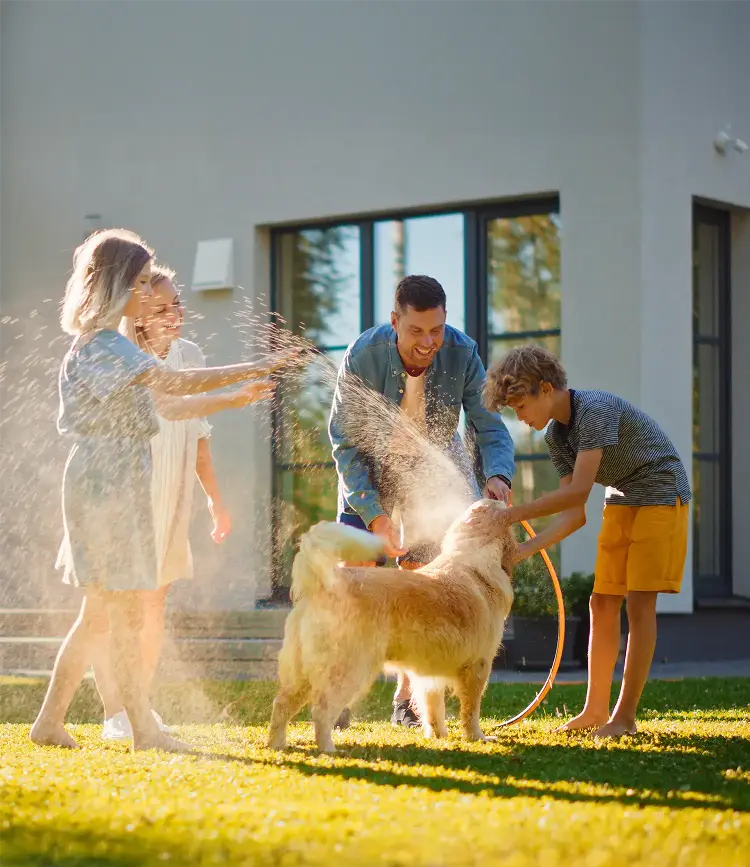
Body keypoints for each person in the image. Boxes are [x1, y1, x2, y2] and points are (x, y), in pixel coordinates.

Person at [30, 228, 292, 752]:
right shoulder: (105, 344)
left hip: (112, 481)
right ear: (119, 284)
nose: (151, 291)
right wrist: (255, 365)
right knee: (125, 613)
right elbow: (173, 383)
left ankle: (49, 724)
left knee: (98, 615)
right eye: (145, 281)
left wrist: (235, 397)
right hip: (108, 487)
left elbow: (166, 407)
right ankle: (143, 731)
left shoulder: (107, 345)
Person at [329, 274, 515, 727]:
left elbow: (489, 425)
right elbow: (345, 444)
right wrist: (374, 516)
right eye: (416, 331)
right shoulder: (363, 355)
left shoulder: (463, 352)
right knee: (353, 579)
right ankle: (336, 695)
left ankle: (407, 704)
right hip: (368, 468)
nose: (428, 342)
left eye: (437, 330)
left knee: (424, 581)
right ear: (395, 321)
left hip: (431, 468)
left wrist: (497, 474)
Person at [484, 343, 691, 738]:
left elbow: (578, 492)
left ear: (546, 389)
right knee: (602, 602)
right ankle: (596, 711)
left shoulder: (594, 410)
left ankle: (624, 717)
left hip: (661, 490)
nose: (520, 417)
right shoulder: (556, 437)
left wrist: (511, 515)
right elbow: (574, 514)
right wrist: (522, 552)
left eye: (521, 406)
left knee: (639, 602)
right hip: (623, 494)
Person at [96, 265, 236, 740]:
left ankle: (140, 705)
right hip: (127, 498)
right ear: (137, 314)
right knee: (116, 610)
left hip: (172, 499)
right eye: (162, 308)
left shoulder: (189, 354)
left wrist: (215, 501)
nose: (176, 314)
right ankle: (115, 713)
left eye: (177, 304)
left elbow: (198, 438)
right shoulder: (121, 358)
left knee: (153, 604)